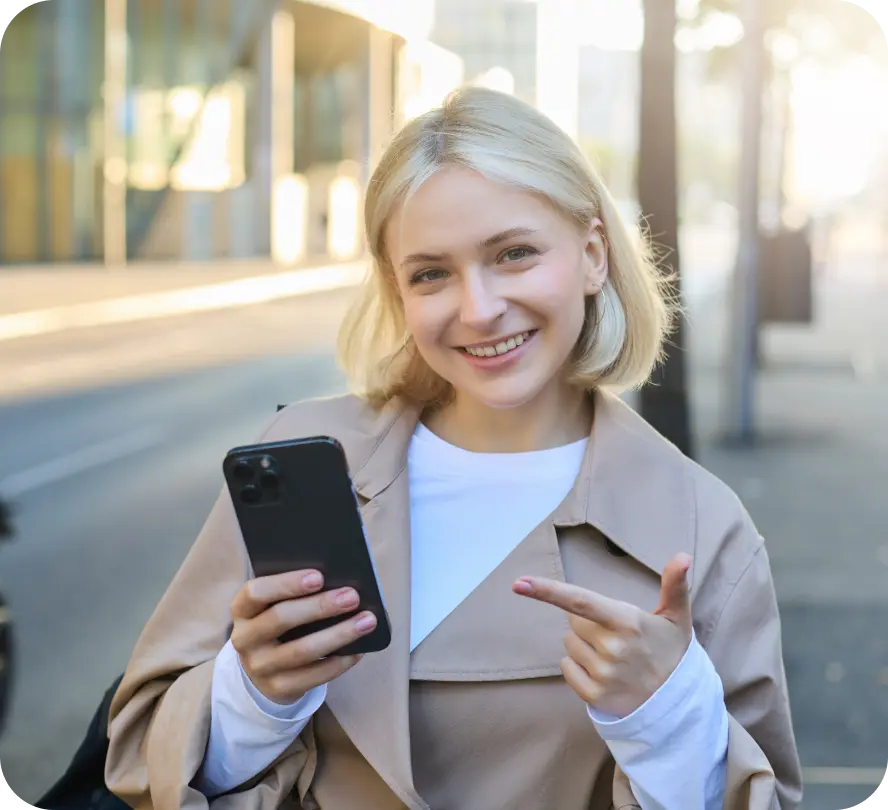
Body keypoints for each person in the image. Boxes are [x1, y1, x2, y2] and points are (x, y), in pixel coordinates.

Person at [105, 87, 803, 810]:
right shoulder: (301, 463)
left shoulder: (698, 524)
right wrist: (252, 697)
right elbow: (139, 757)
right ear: (396, 290)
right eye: (431, 273)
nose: (478, 309)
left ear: (593, 255)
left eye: (515, 254)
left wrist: (668, 718)